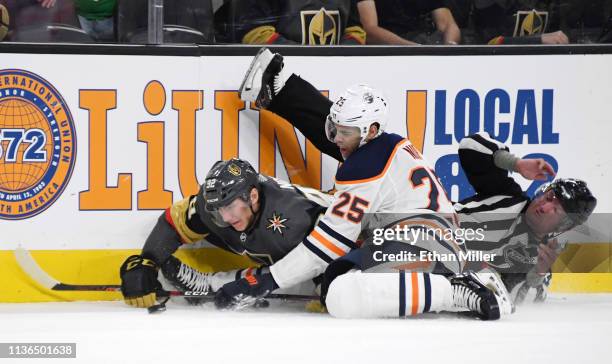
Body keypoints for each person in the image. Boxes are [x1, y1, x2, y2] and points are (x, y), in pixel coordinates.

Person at [215, 48, 513, 320]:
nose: (336, 139)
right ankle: (282, 86)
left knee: (340, 295)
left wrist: (264, 281)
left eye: (345, 131)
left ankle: (455, 291)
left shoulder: (367, 165)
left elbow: (326, 245)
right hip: (429, 239)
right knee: (335, 275)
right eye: (334, 128)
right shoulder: (385, 144)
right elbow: (341, 135)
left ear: (370, 130)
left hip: (425, 244)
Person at [119, 158, 333, 308]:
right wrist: (146, 262)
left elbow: (317, 258)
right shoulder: (216, 209)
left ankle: (213, 283)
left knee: (331, 293)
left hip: (343, 243)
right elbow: (172, 222)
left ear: (254, 196)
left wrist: (222, 285)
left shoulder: (292, 218)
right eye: (218, 210)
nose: (226, 218)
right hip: (298, 246)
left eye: (230, 207)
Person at [455, 132, 597, 304]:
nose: (545, 207)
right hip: (423, 227)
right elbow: (469, 146)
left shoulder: (539, 258)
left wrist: (537, 274)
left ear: (563, 226)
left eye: (556, 210)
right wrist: (516, 164)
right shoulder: (505, 193)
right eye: (550, 197)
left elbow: (516, 302)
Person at [217, 0, 366, 45]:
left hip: (334, 76)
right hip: (276, 81)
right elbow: (254, 34)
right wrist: (306, 58)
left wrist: (343, 55)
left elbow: (355, 31)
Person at [356, 0, 461, 45]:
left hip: (425, 49)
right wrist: (411, 48)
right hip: (387, 54)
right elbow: (369, 30)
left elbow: (448, 24)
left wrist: (450, 47)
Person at [471, 0, 569, 44]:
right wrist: (538, 40)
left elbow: (561, 34)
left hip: (541, 66)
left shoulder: (549, 3)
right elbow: (490, 43)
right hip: (498, 69)